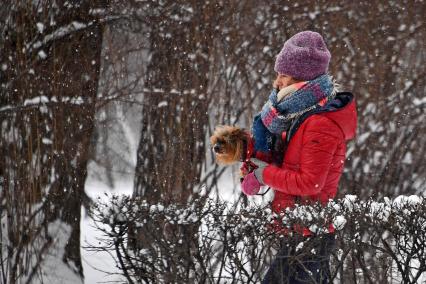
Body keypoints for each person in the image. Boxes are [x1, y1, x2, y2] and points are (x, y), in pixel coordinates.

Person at [240, 31, 357, 283]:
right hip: (299, 229)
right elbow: (287, 165)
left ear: (301, 80)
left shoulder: (319, 124)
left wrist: (263, 174)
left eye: (283, 74)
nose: (277, 82)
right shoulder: (297, 117)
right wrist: (253, 159)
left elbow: (310, 182)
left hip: (310, 232)